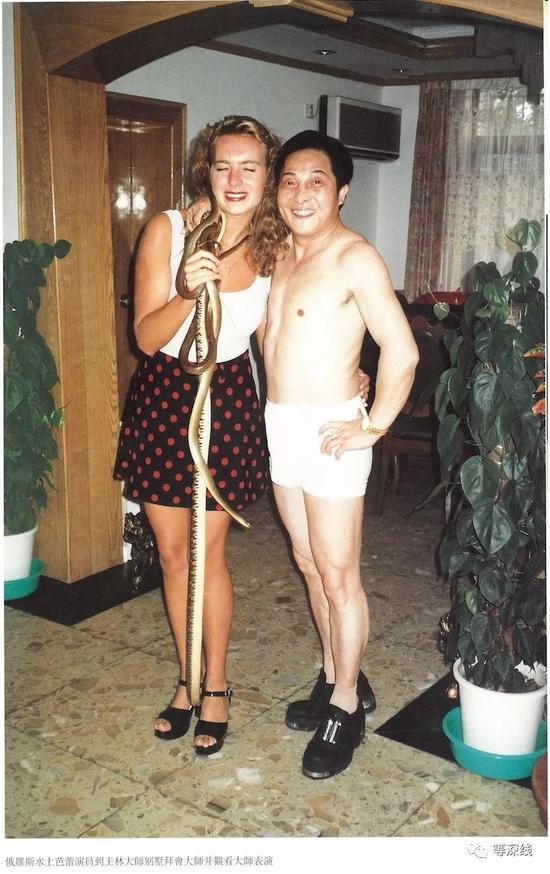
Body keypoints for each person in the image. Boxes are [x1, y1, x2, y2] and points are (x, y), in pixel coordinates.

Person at [114, 115, 286, 755]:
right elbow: (145, 337)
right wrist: (187, 289)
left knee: (208, 555)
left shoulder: (276, 243)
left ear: (267, 176)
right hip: (166, 394)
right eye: (223, 166)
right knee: (170, 554)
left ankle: (215, 683)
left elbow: (275, 337)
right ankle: (185, 680)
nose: (235, 179)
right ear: (204, 171)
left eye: (250, 167)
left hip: (229, 397)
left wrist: (343, 376)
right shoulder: (170, 229)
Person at [262, 130, 419, 779]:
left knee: (338, 574)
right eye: (289, 181)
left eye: (317, 181)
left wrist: (373, 425)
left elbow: (403, 351)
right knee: (307, 564)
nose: (301, 194)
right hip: (281, 424)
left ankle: (347, 706)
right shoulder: (278, 253)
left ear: (342, 191)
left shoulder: (355, 257)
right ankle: (334, 674)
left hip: (331, 432)